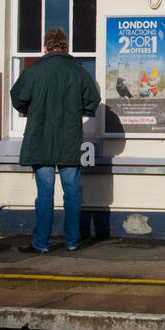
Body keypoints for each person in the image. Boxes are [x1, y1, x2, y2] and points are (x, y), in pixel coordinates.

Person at [9, 27, 100, 253]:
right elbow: (92, 101)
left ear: (45, 47)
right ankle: (71, 241)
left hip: (41, 140)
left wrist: (33, 109)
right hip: (69, 139)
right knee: (71, 193)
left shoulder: (33, 71)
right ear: (65, 46)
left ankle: (41, 243)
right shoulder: (78, 72)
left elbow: (18, 99)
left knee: (44, 194)